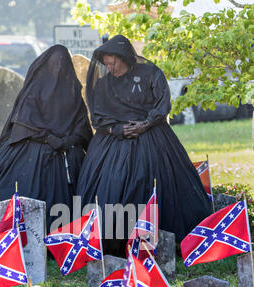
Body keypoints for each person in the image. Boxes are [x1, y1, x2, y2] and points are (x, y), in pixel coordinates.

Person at [76, 35, 212, 257]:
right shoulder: (104, 83)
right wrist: (116, 129)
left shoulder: (151, 73)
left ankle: (167, 238)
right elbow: (98, 116)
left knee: (158, 182)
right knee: (111, 186)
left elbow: (162, 104)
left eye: (114, 63)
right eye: (107, 64)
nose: (110, 68)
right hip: (112, 143)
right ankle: (114, 241)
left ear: (125, 58)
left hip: (153, 137)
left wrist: (145, 124)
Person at [0, 44, 93, 238]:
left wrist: (67, 140)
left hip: (67, 154)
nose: (59, 68)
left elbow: (82, 127)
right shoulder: (34, 90)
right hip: (31, 149)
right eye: (55, 63)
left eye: (63, 64)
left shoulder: (71, 93)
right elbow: (24, 124)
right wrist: (47, 137)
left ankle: (66, 238)